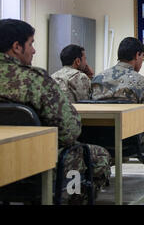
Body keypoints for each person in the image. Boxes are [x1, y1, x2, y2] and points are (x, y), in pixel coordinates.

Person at [0, 19, 111, 203]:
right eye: (31, 44)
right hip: (34, 161)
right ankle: (73, 199)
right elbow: (69, 132)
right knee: (98, 156)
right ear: (17, 47)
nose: (34, 50)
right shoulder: (34, 80)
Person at [91, 37, 144, 177]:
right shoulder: (140, 81)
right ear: (137, 55)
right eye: (142, 57)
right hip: (130, 138)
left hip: (100, 138)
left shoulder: (97, 78)